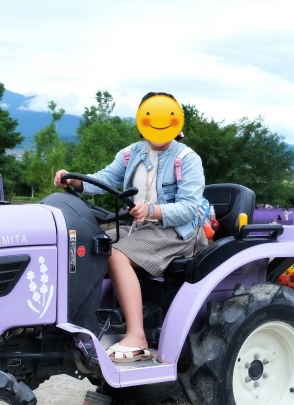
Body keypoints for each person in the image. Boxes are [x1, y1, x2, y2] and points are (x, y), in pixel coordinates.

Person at [53, 92, 205, 362]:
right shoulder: (131, 153)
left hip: (174, 231)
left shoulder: (187, 159)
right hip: (137, 228)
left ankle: (137, 335)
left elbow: (189, 208)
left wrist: (152, 210)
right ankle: (80, 318)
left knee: (116, 254)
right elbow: (102, 179)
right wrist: (73, 180)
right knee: (85, 242)